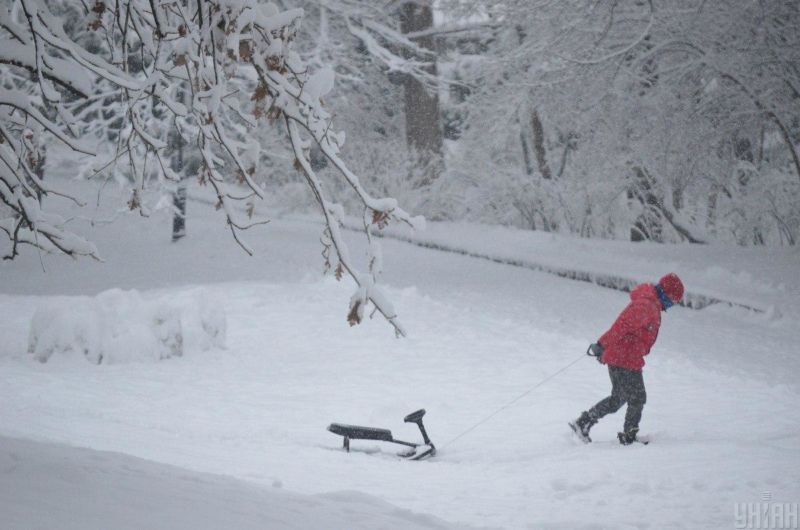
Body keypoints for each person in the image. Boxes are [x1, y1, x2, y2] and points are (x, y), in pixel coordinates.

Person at [570, 273, 684, 445]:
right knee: (637, 398)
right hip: (625, 358)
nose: (673, 304)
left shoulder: (652, 303)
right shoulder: (647, 305)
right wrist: (602, 344)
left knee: (618, 399)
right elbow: (620, 326)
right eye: (674, 300)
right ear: (667, 294)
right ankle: (628, 437)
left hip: (625, 356)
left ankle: (584, 422)